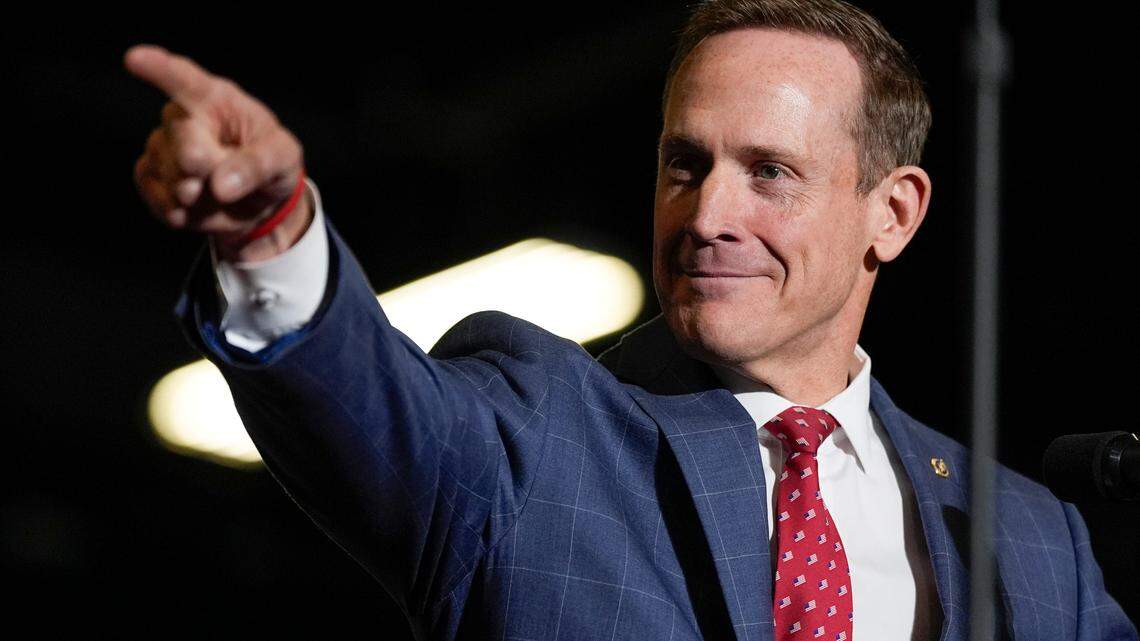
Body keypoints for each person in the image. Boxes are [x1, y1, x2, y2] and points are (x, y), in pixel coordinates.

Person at [126, 1, 1137, 639]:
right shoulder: (537, 431)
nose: (706, 216)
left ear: (894, 211)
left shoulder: (1035, 545)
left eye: (769, 173)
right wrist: (268, 233)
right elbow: (373, 405)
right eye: (683, 165)